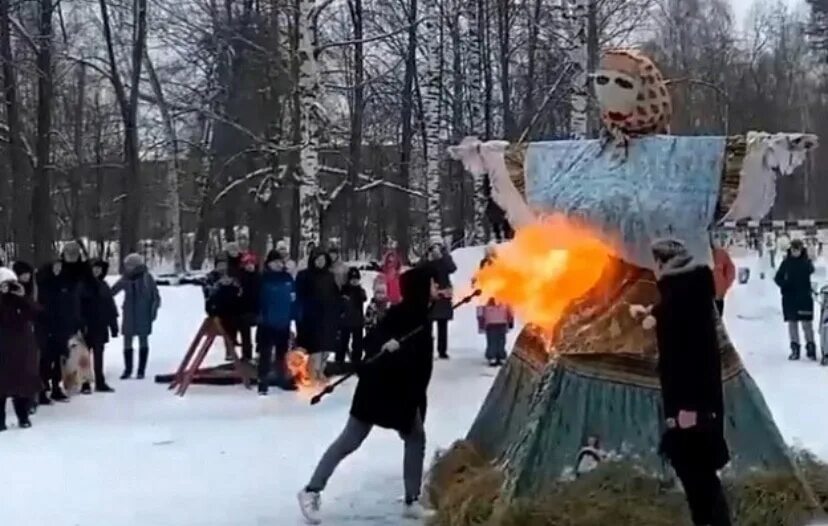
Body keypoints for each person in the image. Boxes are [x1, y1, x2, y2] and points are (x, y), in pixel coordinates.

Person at [298, 265, 439, 524]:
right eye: (432, 284)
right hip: (377, 391)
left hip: (402, 395)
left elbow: (420, 364)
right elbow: (369, 343)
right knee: (349, 441)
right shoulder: (400, 314)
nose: (436, 288)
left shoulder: (422, 316)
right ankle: (311, 491)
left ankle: (412, 500)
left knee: (416, 438)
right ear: (421, 289)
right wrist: (386, 343)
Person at [651, 238, 731, 526]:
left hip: (690, 407)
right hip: (694, 403)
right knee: (697, 476)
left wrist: (689, 409)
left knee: (699, 477)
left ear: (663, 264)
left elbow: (690, 357)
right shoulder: (690, 295)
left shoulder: (678, 302)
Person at [36, 259, 83, 402]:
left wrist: (73, 323)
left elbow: (71, 305)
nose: (57, 270)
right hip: (46, 327)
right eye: (55, 267)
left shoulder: (65, 283)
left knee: (59, 359)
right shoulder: (43, 283)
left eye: (59, 267)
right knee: (45, 361)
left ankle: (56, 387)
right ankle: (42, 390)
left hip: (61, 327)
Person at [0, 268, 40, 431]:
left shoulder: (20, 299)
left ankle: (23, 416)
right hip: (2, 347)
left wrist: (23, 297)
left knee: (21, 385)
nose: (9, 288)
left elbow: (36, 313)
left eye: (12, 284)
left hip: (21, 347)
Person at [111, 254, 161, 380]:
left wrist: (153, 311)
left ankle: (141, 370)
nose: (127, 267)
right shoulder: (125, 279)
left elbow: (156, 296)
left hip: (143, 314)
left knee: (143, 340)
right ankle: (128, 369)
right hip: (129, 314)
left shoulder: (147, 278)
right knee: (127, 341)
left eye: (129, 265)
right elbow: (113, 291)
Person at [295, 248, 341, 382]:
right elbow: (299, 295)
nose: (320, 262)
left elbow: (335, 294)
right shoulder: (304, 275)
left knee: (325, 346)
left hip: (327, 315)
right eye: (318, 259)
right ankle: (310, 372)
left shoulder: (329, 276)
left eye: (323, 260)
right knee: (312, 347)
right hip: (310, 315)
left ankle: (320, 370)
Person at [257, 250, 296, 394]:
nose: (278, 265)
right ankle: (263, 381)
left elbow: (293, 297)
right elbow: (257, 299)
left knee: (282, 353)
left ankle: (281, 378)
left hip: (284, 321)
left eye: (280, 262)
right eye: (275, 262)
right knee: (265, 353)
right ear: (269, 263)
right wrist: (260, 315)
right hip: (267, 322)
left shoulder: (287, 278)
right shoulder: (263, 279)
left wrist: (293, 315)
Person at [774, 239, 816, 361]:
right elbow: (778, 278)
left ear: (801, 250)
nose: (795, 252)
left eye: (797, 249)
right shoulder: (786, 263)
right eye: (793, 249)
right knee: (793, 324)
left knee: (807, 324)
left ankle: (811, 347)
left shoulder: (806, 262)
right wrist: (785, 285)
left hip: (804, 297)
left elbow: (812, 270)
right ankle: (795, 349)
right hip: (790, 298)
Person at [82, 259, 119, 393]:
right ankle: (84, 383)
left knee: (99, 355)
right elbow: (77, 306)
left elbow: (110, 307)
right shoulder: (83, 285)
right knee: (84, 357)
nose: (97, 271)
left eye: (99, 268)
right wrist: (80, 324)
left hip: (101, 326)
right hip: (86, 326)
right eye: (94, 268)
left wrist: (113, 326)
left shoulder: (104, 285)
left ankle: (100, 382)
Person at [204, 254, 243, 360]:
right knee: (226, 322)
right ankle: (229, 348)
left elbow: (239, 291)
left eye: (224, 265)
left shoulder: (231, 276)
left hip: (231, 307)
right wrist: (219, 285)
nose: (222, 267)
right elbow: (208, 293)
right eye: (220, 265)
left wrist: (233, 285)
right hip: (215, 308)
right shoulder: (210, 277)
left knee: (237, 318)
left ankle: (234, 344)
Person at [427, 237, 457, 359]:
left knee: (442, 326)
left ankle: (442, 350)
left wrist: (443, 255)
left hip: (443, 297)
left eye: (438, 246)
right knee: (427, 326)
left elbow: (452, 268)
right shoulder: (427, 259)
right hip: (429, 297)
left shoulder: (445, 259)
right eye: (433, 247)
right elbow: (419, 269)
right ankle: (427, 349)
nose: (436, 249)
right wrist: (428, 258)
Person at [338, 267, 367, 365]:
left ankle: (356, 361)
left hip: (357, 321)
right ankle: (339, 361)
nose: (354, 281)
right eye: (352, 279)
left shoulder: (360, 291)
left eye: (356, 279)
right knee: (343, 342)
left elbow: (364, 299)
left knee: (357, 343)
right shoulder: (344, 290)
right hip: (345, 321)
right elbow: (340, 304)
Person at [236, 252, 260, 361]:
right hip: (243, 311)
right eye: (247, 264)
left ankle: (260, 351)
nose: (250, 266)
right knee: (245, 333)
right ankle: (247, 355)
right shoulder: (240, 278)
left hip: (257, 310)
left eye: (252, 264)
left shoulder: (259, 277)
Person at [477, 298, 514, 367]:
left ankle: (492, 356)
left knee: (492, 341)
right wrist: (510, 321)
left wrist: (481, 324)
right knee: (501, 341)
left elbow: (480, 311)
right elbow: (510, 311)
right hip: (501, 322)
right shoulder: (505, 296)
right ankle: (501, 356)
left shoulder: (486, 296)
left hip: (490, 323)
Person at [711, 241, 735, 316]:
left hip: (717, 294)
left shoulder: (721, 254)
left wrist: (723, 287)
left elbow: (731, 272)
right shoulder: (697, 255)